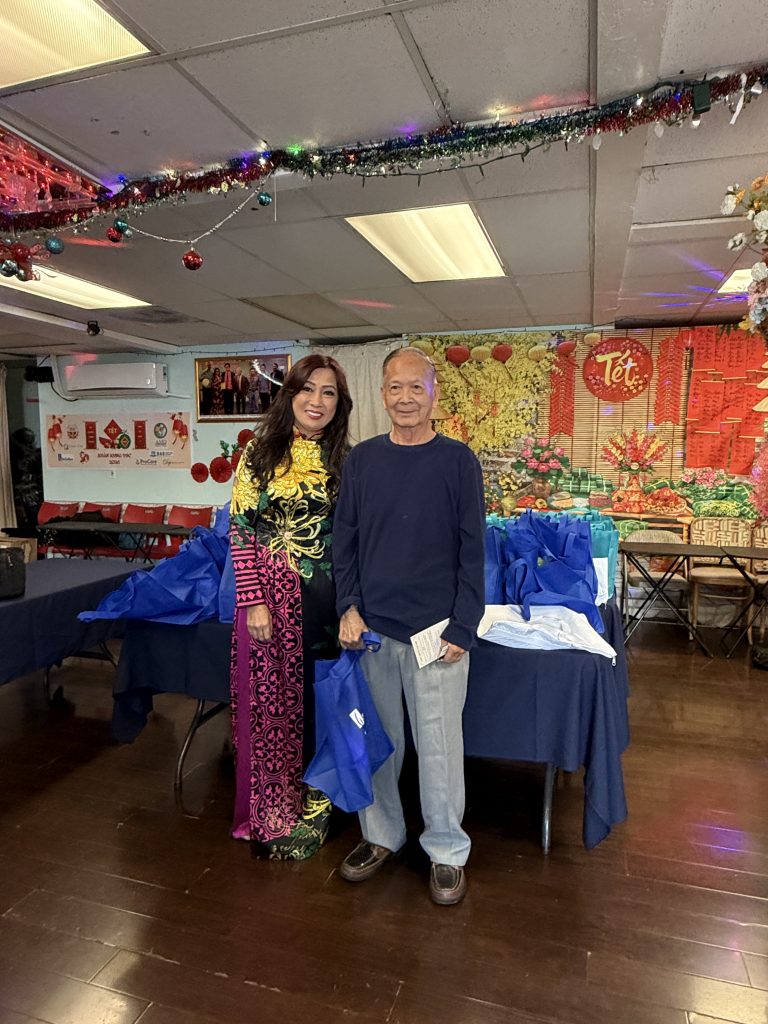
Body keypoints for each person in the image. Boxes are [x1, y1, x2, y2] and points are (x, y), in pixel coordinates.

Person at [333, 347, 485, 905]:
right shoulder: (363, 461)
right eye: (395, 387)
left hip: (436, 633)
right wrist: (348, 606)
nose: (405, 398)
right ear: (382, 394)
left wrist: (463, 626)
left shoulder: (458, 462)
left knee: (439, 749)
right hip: (373, 631)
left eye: (415, 387)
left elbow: (474, 550)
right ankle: (381, 835)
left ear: (433, 393)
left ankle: (446, 849)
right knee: (379, 744)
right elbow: (345, 541)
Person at [228, 353, 353, 859]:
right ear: (290, 394)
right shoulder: (259, 453)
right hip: (270, 608)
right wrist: (253, 601)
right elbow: (241, 530)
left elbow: (355, 537)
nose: (316, 401)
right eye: (307, 389)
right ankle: (275, 807)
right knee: (272, 709)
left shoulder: (348, 460)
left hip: (330, 605)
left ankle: (320, 806)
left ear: (340, 403)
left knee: (325, 705)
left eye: (328, 392)